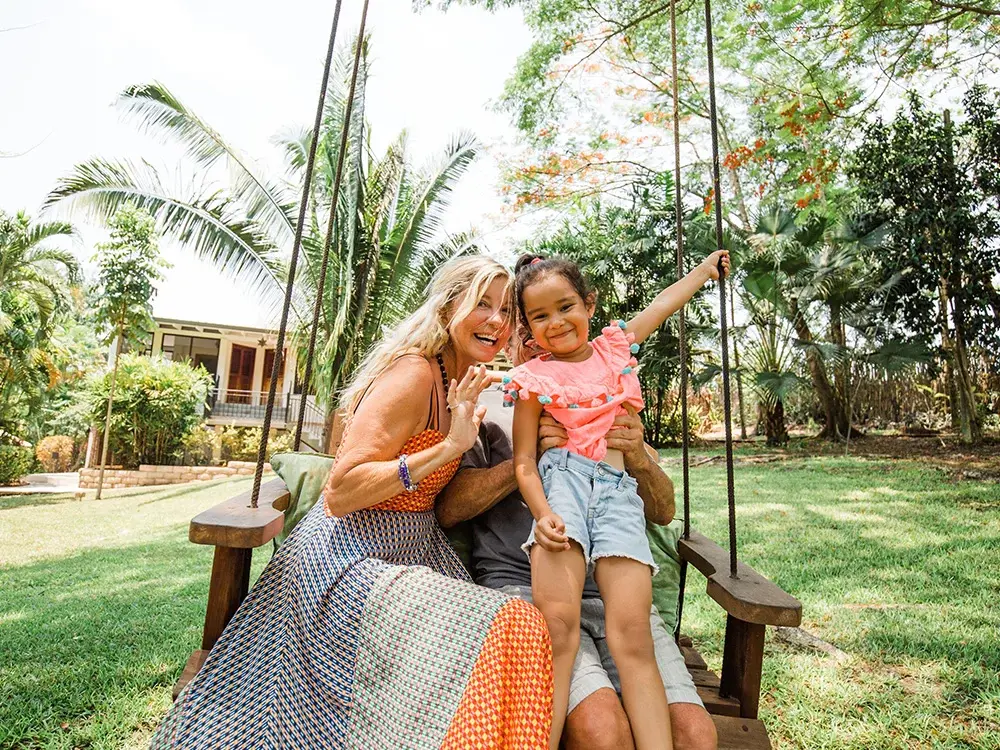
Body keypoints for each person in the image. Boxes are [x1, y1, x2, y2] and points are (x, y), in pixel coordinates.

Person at [151, 256, 553, 749]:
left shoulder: (465, 381)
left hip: (419, 550)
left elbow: (452, 497)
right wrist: (448, 448)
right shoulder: (414, 376)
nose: (496, 320)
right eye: (482, 304)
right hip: (350, 556)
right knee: (515, 625)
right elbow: (340, 492)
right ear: (449, 307)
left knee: (513, 636)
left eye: (506, 310)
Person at [437, 341, 719, 750]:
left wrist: (638, 456)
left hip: (614, 596)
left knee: (695, 735)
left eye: (561, 308)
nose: (543, 332)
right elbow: (449, 508)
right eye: (530, 318)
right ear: (513, 334)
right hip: (528, 589)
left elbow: (663, 510)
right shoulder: (491, 405)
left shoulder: (603, 393)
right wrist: (528, 459)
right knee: (602, 730)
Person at [505, 250, 727, 749]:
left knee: (634, 638)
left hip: (616, 492)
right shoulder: (532, 380)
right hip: (561, 489)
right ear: (528, 328)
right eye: (540, 316)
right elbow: (524, 462)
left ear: (588, 304)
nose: (556, 323)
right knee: (558, 633)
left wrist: (704, 270)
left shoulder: (613, 350)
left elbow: (663, 305)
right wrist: (542, 515)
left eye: (566, 307)